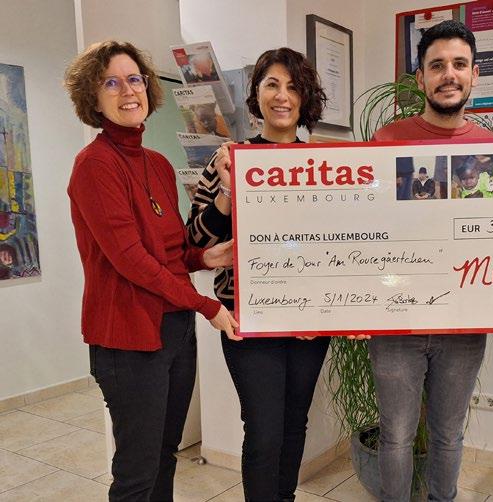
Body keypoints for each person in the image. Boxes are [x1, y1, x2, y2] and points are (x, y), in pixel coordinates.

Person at [64, 40, 238, 501]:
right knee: (137, 474)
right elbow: (132, 261)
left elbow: (169, 251)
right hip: (128, 340)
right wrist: (207, 305)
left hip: (174, 332)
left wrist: (205, 258)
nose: (128, 91)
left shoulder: (157, 164)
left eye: (134, 79)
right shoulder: (93, 166)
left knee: (164, 456)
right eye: (111, 82)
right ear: (92, 95)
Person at [186, 47, 331, 502]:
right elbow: (196, 239)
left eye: (293, 87)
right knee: (264, 429)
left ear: (306, 98)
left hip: (309, 322)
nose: (282, 96)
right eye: (272, 84)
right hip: (247, 317)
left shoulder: (324, 164)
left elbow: (338, 243)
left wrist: (324, 309)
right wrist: (228, 193)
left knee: (293, 423)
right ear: (256, 94)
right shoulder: (229, 158)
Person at [369, 20, 493, 502]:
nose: (449, 74)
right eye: (437, 65)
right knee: (396, 436)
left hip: (463, 324)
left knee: (447, 435)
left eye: (459, 64)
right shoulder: (387, 140)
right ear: (420, 78)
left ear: (474, 74)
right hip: (395, 322)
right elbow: (366, 227)